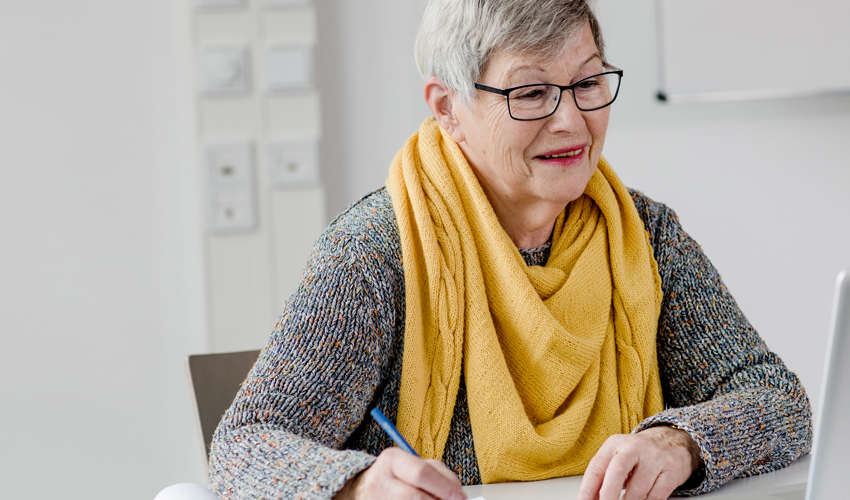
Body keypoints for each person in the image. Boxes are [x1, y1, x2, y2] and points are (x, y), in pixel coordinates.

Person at [206, 1, 810, 499]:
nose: (572, 121)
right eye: (531, 93)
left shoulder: (645, 235)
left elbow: (778, 400)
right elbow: (243, 446)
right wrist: (357, 486)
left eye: (588, 82)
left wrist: (680, 441)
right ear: (448, 109)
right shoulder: (376, 252)